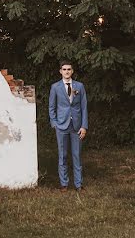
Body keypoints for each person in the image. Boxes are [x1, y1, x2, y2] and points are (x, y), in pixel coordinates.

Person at [48, 61, 88, 192]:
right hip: (61, 125)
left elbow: (84, 107)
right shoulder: (55, 87)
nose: (66, 71)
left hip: (76, 126)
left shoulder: (80, 86)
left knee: (77, 155)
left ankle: (78, 184)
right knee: (63, 155)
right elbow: (52, 107)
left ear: (72, 71)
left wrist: (84, 126)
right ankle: (64, 183)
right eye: (64, 69)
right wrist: (54, 123)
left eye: (69, 69)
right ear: (60, 71)